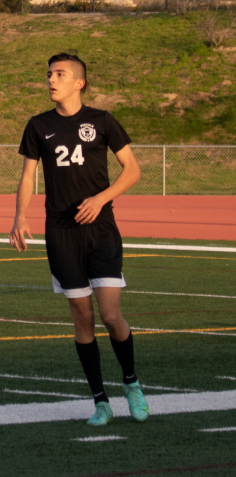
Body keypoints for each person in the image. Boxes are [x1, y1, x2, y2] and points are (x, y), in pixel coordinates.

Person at [10, 52, 148, 426]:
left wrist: (101, 198)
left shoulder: (102, 121)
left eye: (59, 74)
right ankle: (101, 401)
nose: (51, 80)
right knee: (83, 317)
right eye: (49, 73)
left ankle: (131, 382)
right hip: (61, 234)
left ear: (79, 83)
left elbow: (132, 170)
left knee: (110, 314)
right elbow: (27, 177)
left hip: (101, 230)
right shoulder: (38, 125)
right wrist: (20, 217)